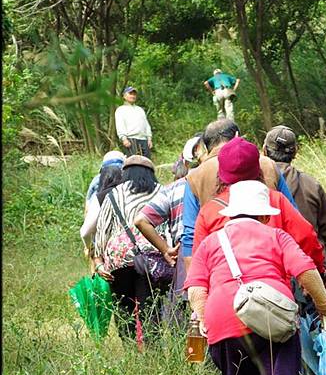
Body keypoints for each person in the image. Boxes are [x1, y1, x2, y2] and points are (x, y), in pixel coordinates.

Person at [184, 180, 326, 375]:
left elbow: (196, 289)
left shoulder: (211, 243)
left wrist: (204, 321)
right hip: (272, 322)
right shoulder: (276, 235)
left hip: (222, 321)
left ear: (230, 214)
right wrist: (324, 306)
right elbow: (306, 271)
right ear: (264, 215)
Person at [192, 136, 326, 275]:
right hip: (275, 289)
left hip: (224, 289)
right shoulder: (275, 200)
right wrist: (318, 271)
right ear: (258, 168)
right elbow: (306, 237)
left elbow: (199, 262)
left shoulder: (208, 211)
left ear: (221, 172)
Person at [181, 118, 297, 270]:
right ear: (237, 136)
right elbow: (293, 218)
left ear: (206, 146)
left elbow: (190, 236)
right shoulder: (267, 164)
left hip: (222, 265)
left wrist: (194, 282)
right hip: (271, 259)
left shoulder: (195, 176)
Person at [93, 155, 170, 343]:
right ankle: (154, 352)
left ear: (125, 173)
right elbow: (169, 225)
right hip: (152, 260)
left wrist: (99, 260)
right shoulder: (162, 191)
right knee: (150, 309)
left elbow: (103, 228)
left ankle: (129, 349)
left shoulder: (114, 194)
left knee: (123, 307)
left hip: (119, 261)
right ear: (151, 174)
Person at [134, 134, 208, 315]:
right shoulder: (224, 182)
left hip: (186, 255)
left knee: (187, 316)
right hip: (220, 252)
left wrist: (166, 250)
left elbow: (141, 220)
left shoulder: (173, 189)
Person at [263, 125, 326, 295]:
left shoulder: (254, 186)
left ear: (264, 151)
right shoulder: (312, 185)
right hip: (309, 272)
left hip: (268, 273)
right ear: (295, 152)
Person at [115, 86, 153, 158]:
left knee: (146, 163)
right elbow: (120, 125)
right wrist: (124, 139)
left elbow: (146, 125)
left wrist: (149, 138)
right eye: (130, 94)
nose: (133, 96)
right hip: (131, 140)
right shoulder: (121, 110)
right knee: (133, 163)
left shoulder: (140, 110)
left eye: (134, 94)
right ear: (124, 96)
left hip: (144, 140)